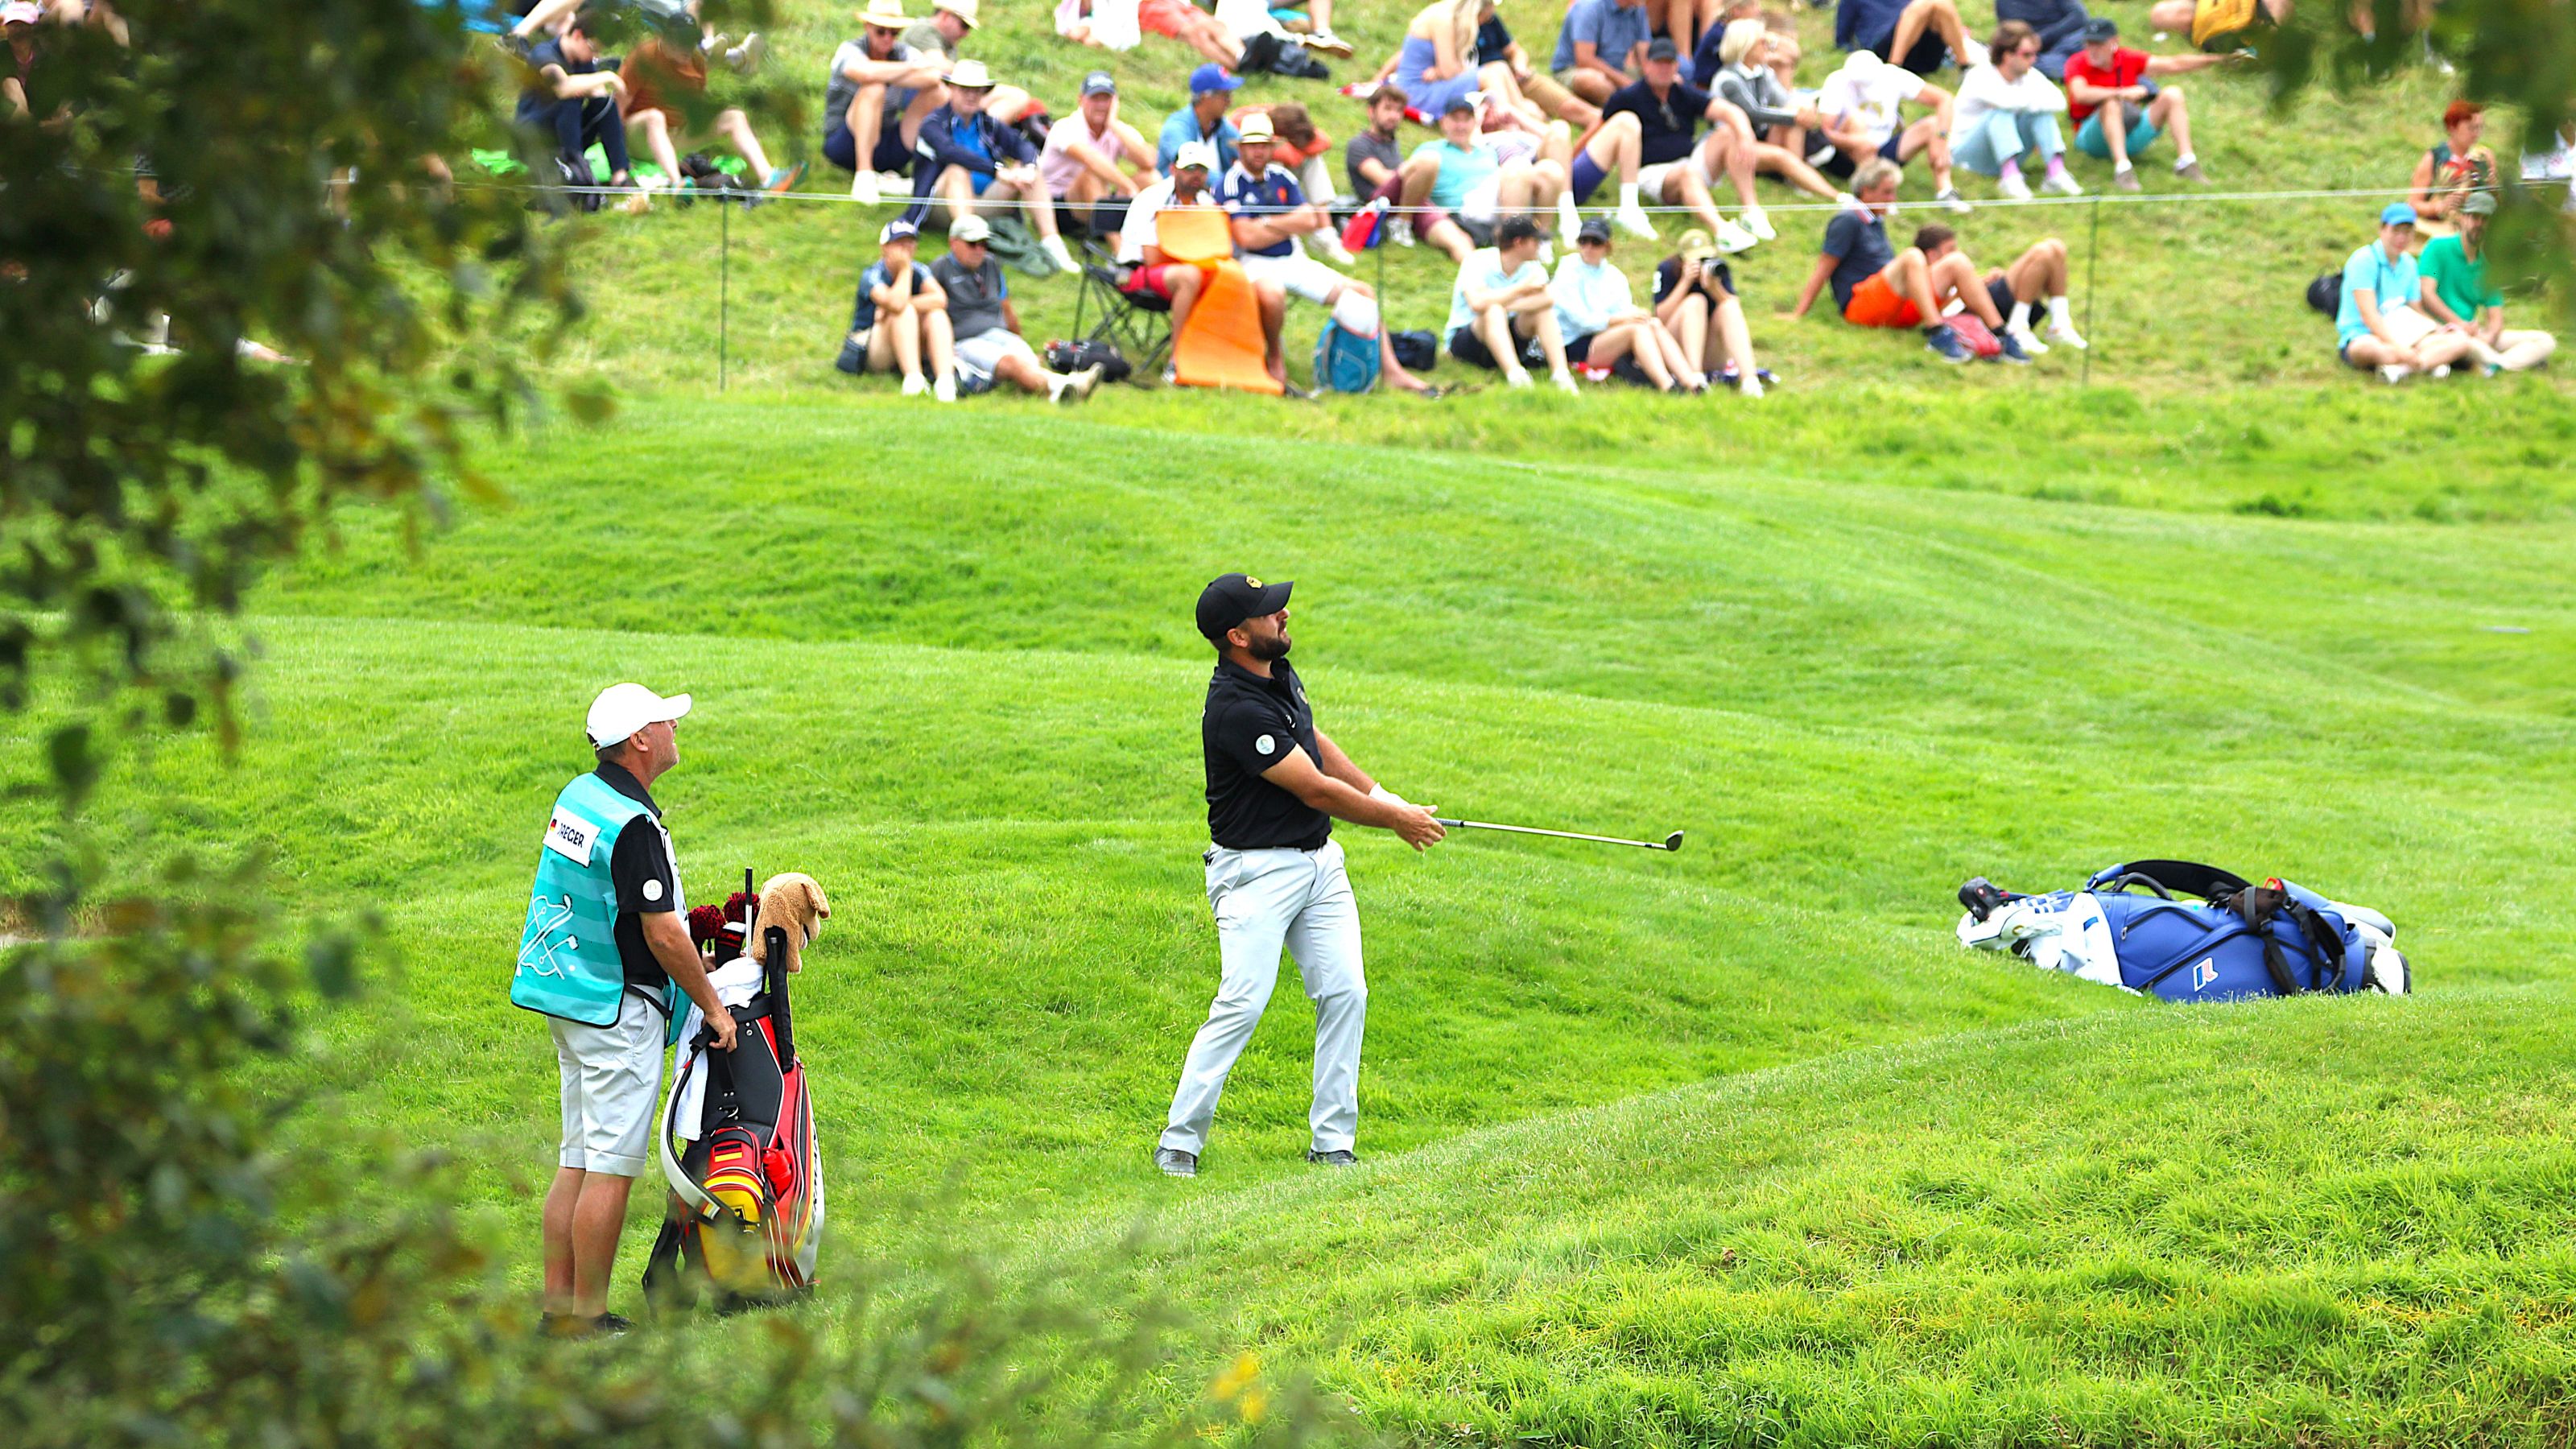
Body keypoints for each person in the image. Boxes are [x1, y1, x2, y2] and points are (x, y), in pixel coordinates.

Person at [1154, 575, 1445, 1179]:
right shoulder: (1236, 708)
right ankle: (1179, 1140)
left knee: (1346, 992)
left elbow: (1314, 743)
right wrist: (1394, 819)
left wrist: (1384, 795)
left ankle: (1332, 1143)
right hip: (1255, 875)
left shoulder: (1277, 675)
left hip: (1319, 865)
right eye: (1267, 612)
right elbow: (1312, 786)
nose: (1282, 614)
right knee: (1241, 1003)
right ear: (1237, 636)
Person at [518, 683, 735, 1339]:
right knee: (609, 1168)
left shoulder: (578, 797)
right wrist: (714, 1008)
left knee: (577, 1159)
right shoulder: (633, 824)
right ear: (639, 739)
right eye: (665, 720)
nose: (675, 727)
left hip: (570, 998)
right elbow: (663, 933)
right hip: (617, 1011)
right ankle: (586, 1318)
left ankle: (558, 1309)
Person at [1216, 113, 1435, 391]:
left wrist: (1266, 223)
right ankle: (1275, 356)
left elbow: (1309, 220)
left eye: (1264, 145)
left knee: (1363, 292)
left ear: (1272, 147)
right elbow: (1245, 238)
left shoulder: (1281, 176)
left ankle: (1391, 370)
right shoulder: (1230, 182)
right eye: (1252, 145)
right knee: (1272, 294)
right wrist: (1285, 224)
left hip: (1294, 259)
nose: (1259, 151)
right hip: (1253, 264)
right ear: (1242, 148)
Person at [1794, 159, 2077, 360]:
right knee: (1913, 256)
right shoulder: (1848, 220)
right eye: (1887, 193)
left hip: (1891, 305)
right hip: (1861, 305)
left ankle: (2001, 334)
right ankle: (1937, 333)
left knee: (1958, 262)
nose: (1893, 199)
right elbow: (1823, 268)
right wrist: (1798, 313)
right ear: (1866, 191)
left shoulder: (1874, 221)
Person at [1571, 39, 1770, 248]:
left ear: (1676, 66)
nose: (1663, 69)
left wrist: (1745, 135)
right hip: (1653, 172)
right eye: (1658, 63)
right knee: (1687, 173)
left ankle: (1752, 211)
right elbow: (1597, 129)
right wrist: (1572, 159)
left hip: (1690, 160)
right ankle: (1721, 230)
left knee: (1729, 133)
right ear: (1646, 65)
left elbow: (1727, 110)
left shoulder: (1683, 93)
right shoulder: (1627, 97)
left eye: (1669, 63)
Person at [902, 60, 1080, 275]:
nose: (972, 96)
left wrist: (1029, 167)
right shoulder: (933, 123)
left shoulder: (987, 123)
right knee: (957, 170)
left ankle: (1052, 242)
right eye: (966, 89)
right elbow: (950, 152)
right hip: (941, 205)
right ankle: (966, 238)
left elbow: (1021, 145)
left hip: (984, 200)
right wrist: (997, 170)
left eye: (977, 91)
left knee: (1030, 171)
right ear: (952, 89)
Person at [929, 214, 1104, 399]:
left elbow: (1006, 307)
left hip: (998, 333)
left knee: (1026, 359)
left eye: (984, 244)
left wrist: (1017, 338)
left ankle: (1063, 389)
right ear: (953, 242)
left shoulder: (990, 264)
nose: (979, 250)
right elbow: (928, 315)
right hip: (965, 341)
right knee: (1013, 363)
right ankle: (1066, 387)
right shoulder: (939, 269)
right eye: (973, 244)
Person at [617, 31, 803, 196]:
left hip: (674, 136)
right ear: (666, 41)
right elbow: (618, 104)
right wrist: (618, 155)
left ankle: (768, 177)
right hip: (638, 138)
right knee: (655, 117)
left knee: (734, 116)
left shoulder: (695, 62)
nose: (687, 50)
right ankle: (677, 185)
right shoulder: (644, 57)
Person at [1707, 23, 1862, 204]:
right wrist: (1794, 116)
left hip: (1759, 136)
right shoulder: (1728, 79)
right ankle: (1835, 195)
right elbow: (1753, 113)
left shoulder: (1763, 72)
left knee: (1796, 107)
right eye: (1762, 42)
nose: (1768, 47)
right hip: (1734, 142)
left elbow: (1785, 99)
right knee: (1784, 154)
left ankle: (1793, 177)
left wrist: (1805, 109)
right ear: (1746, 45)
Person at [1402, 97, 1571, 260]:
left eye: (1466, 119)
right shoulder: (1431, 149)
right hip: (1466, 209)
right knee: (1518, 165)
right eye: (1455, 120)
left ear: (1474, 123)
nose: (1461, 125)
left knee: (1551, 169)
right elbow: (1407, 177)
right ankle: (1511, 246)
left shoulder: (1485, 151)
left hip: (1500, 201)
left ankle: (1541, 242)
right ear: (1444, 122)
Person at [2062, 16, 2222, 189]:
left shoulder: (2127, 58)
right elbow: (2080, 94)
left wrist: (2217, 60)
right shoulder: (2077, 62)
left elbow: (2173, 64)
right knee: (2111, 103)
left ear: (2114, 42)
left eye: (2098, 44)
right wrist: (2122, 93)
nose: (2092, 50)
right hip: (2091, 138)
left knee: (2173, 94)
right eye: (2089, 43)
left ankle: (2187, 163)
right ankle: (2123, 170)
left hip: (2130, 129)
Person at [514, 8, 648, 212]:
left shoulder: (583, 61)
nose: (595, 56)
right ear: (578, 35)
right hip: (534, 137)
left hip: (564, 134)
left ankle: (620, 175)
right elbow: (563, 87)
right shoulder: (544, 54)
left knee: (605, 104)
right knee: (568, 99)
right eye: (594, 49)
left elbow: (598, 96)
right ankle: (576, 172)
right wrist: (609, 76)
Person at [2417, 191, 2558, 374]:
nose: (2479, 224)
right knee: (2465, 343)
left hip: (2473, 334)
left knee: (2545, 341)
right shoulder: (2437, 248)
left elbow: (2495, 317)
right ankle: (2501, 362)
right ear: (2462, 218)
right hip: (2441, 332)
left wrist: (2489, 337)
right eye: (2475, 217)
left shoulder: (2487, 266)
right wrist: (2459, 324)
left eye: (2485, 220)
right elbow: (2427, 293)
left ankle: (2495, 364)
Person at [1812, 47, 1970, 211]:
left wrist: (1942, 139)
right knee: (1857, 120)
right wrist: (1858, 142)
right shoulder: (1837, 82)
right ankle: (1876, 193)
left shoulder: (1893, 76)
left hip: (1884, 148)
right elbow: (1827, 131)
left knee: (1933, 125)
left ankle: (1945, 191)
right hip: (1848, 155)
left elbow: (1944, 99)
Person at [2333, 201, 2475, 383]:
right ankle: (2426, 362)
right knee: (2369, 349)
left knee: (2461, 342)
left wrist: (2438, 328)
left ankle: (2405, 368)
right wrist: (2398, 347)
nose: (2402, 238)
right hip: (2364, 334)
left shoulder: (2408, 263)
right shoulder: (2363, 260)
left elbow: (2415, 309)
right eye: (2396, 231)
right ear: (2382, 230)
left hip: (2406, 334)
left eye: (2407, 232)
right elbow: (2369, 316)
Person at [824, 0, 947, 204]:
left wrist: (886, 71)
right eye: (881, 31)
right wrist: (908, 70)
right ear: (867, 28)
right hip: (845, 141)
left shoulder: (902, 52)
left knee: (937, 93)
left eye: (894, 32)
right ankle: (864, 176)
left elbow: (934, 76)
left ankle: (931, 168)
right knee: (874, 88)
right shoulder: (849, 49)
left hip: (887, 139)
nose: (888, 38)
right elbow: (862, 72)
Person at [1552, 217, 1695, 391]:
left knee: (1653, 324)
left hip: (1606, 335)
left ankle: (1691, 381)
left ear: (1607, 246)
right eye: (1584, 241)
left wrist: (1637, 315)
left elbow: (1623, 310)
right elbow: (1581, 321)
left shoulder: (1615, 276)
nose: (1588, 247)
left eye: (1595, 242)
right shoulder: (1567, 268)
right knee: (1636, 329)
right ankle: (1667, 385)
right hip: (1575, 342)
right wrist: (1618, 319)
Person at [1115, 141, 1236, 344]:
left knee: (1233, 275)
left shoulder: (1207, 204)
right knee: (1190, 276)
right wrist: (1194, 254)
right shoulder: (1152, 200)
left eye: (1202, 169)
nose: (1196, 175)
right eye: (1190, 168)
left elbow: (1219, 248)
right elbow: (1152, 258)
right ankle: (1178, 358)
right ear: (1173, 169)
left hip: (1187, 270)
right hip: (1134, 273)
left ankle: (1218, 353)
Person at [1444, 213, 1581, 391]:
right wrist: (1520, 290)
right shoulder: (1477, 261)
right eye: (1535, 241)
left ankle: (1561, 374)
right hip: (1468, 339)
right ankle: (1516, 376)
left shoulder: (1534, 268)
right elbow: (1476, 303)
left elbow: (1547, 299)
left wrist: (1504, 304)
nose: (1539, 246)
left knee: (1541, 311)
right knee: (1492, 311)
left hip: (1508, 332)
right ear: (1519, 242)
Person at [1950, 21, 2079, 199]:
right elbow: (2005, 103)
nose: (2033, 60)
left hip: (2003, 151)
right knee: (2000, 114)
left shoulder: (2030, 75)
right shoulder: (1980, 75)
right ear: (2007, 55)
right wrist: (2033, 102)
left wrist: (2032, 105)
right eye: (2026, 55)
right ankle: (2010, 178)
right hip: (1967, 157)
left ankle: (2055, 173)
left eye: (2034, 54)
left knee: (2042, 114)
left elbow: (2059, 101)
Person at [836, 218, 957, 399]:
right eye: (899, 243)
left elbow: (940, 299)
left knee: (936, 315)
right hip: (872, 349)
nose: (906, 248)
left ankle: (945, 382)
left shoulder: (921, 270)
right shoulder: (872, 274)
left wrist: (903, 304)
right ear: (885, 247)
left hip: (908, 342)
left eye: (910, 242)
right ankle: (914, 380)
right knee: (903, 313)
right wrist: (905, 271)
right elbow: (897, 305)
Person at [1042, 71, 1158, 250]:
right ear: (1081, 100)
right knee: (1091, 175)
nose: (1101, 105)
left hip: (1097, 200)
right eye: (1095, 99)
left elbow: (1149, 161)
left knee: (1151, 178)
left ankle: (1152, 242)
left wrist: (1113, 124)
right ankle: (1121, 253)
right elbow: (1091, 160)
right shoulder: (1065, 127)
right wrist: (1128, 187)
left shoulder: (1116, 128)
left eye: (1107, 99)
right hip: (1060, 208)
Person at [1651, 227, 1767, 395]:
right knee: (1696, 302)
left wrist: (1714, 288)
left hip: (1711, 349)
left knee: (1729, 306)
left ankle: (1749, 381)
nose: (1702, 263)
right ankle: (1695, 377)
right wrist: (1685, 282)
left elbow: (1734, 308)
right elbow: (1660, 316)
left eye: (1705, 258)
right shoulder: (1667, 269)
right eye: (1696, 260)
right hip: (1676, 351)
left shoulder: (1718, 269)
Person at [902, 0, 1039, 127]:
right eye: (964, 26)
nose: (966, 33)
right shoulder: (922, 30)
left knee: (1016, 97)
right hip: (925, 97)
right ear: (945, 16)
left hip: (949, 96)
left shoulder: (947, 42)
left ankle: (978, 135)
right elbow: (941, 67)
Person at [1396, 0, 1490, 123]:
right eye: (1482, 19)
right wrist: (1442, 71)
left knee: (1499, 68)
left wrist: (1439, 71)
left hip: (1430, 87)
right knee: (1489, 75)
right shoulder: (1443, 21)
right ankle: (1511, 118)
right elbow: (1449, 72)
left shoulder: (1441, 16)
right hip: (1417, 93)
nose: (1480, 25)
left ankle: (1519, 113)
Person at [2407, 100, 2496, 229]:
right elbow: (2413, 204)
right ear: (2452, 127)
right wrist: (2439, 207)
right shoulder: (2434, 158)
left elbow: (2498, 201)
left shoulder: (2485, 157)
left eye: (2480, 127)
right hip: (2441, 230)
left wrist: (2494, 188)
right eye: (2471, 128)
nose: (2476, 133)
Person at [1834, 0, 1975, 76]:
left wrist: (1953, 28)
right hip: (1884, 47)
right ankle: (1893, 71)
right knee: (1922, 5)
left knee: (1941, 3)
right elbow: (1842, 37)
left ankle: (1965, 66)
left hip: (1923, 54)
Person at [1550, 0, 1651, 105]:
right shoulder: (1589, 8)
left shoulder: (1637, 9)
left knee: (1665, 76)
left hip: (1616, 70)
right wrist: (1628, 85)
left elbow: (1645, 53)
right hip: (1575, 70)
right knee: (1594, 82)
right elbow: (1585, 61)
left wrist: (1653, 81)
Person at [1160, 63, 1245, 173]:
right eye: (1226, 95)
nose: (1230, 102)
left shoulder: (1222, 126)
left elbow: (1246, 153)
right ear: (1206, 96)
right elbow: (1191, 169)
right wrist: (1224, 186)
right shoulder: (1177, 127)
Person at [1993, 0, 2090, 80]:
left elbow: (2079, 17)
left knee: (2092, 36)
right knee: (2036, 62)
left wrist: (2043, 38)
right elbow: (2014, 33)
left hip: (2069, 38)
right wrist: (2033, 43)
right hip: (2039, 52)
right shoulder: (2005, 3)